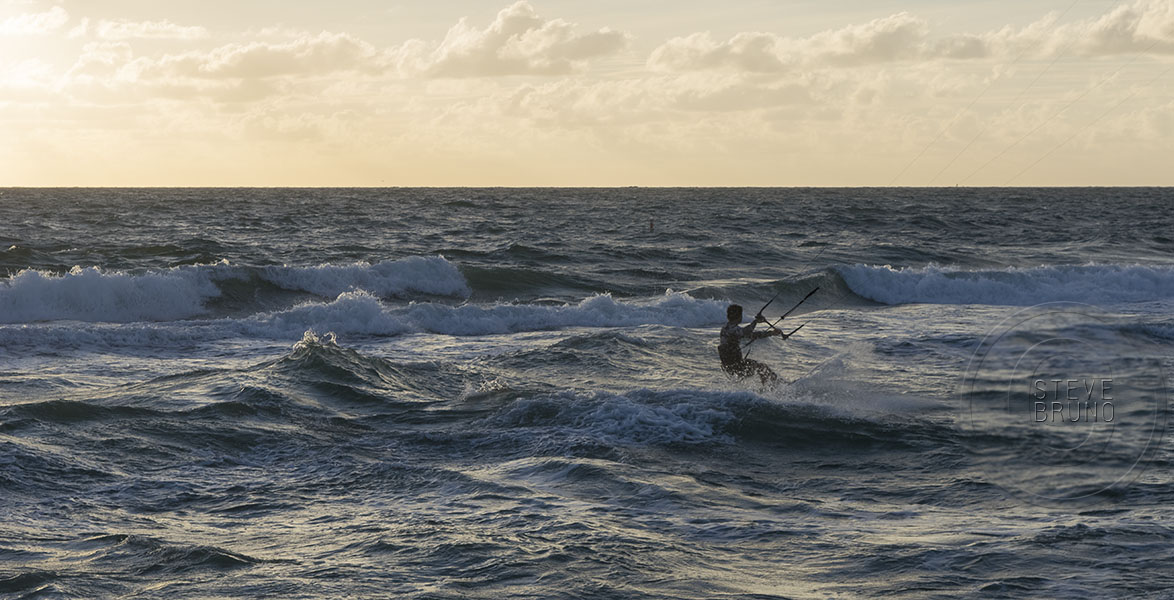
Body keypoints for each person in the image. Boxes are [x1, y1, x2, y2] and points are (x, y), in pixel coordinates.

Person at [718, 304, 787, 384]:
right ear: (739, 316)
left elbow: (752, 335)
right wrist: (756, 322)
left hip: (731, 366)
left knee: (761, 367)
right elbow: (747, 332)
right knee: (762, 368)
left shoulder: (725, 328)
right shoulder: (732, 329)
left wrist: (771, 333)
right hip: (736, 367)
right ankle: (773, 386)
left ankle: (773, 384)